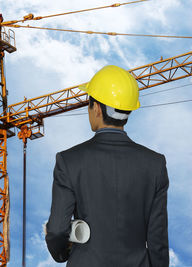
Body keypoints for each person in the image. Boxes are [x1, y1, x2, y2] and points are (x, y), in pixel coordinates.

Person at [45, 65, 169, 267]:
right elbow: (158, 242)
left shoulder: (69, 161)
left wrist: (62, 253)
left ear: (96, 108)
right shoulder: (155, 164)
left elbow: (57, 230)